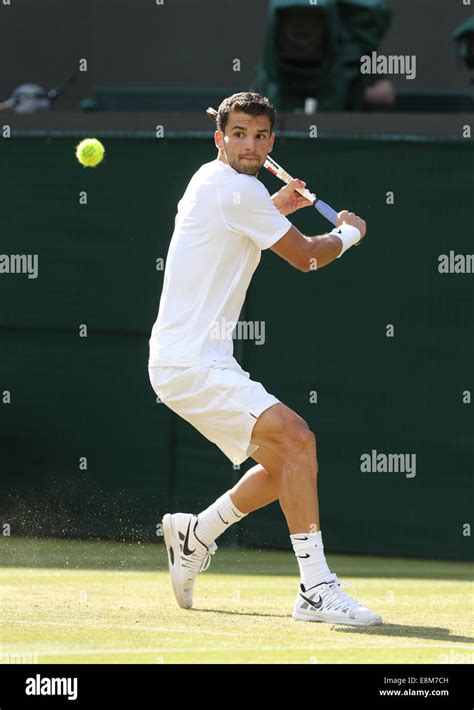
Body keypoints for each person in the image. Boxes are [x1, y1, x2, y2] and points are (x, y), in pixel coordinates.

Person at [148, 91, 382, 626]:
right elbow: (305, 258)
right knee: (298, 439)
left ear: (271, 141)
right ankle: (316, 589)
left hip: (195, 361)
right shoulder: (235, 191)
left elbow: (238, 231)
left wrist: (276, 208)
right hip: (189, 363)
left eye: (259, 136)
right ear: (220, 138)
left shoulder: (216, 186)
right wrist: (348, 233)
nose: (249, 145)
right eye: (239, 135)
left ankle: (196, 533)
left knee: (286, 465)